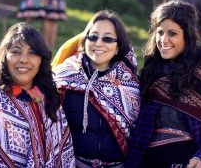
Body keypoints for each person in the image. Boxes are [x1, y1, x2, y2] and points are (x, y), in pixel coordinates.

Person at [127, 0, 201, 168]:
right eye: (160, 32)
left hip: (191, 159)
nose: (164, 40)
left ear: (187, 36)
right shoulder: (150, 73)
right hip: (150, 160)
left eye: (172, 33)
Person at [0, 22, 75, 167]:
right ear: (4, 56)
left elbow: (63, 155)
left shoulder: (49, 98)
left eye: (32, 53)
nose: (23, 59)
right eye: (16, 52)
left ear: (41, 59)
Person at [52, 10, 140, 168]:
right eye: (92, 37)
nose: (98, 43)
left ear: (118, 46)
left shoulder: (131, 85)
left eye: (107, 38)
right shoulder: (62, 77)